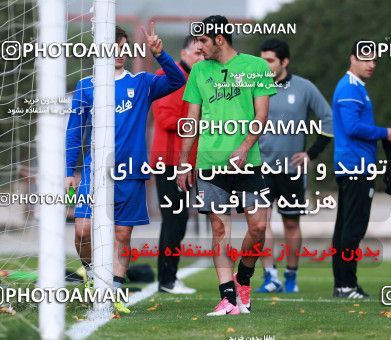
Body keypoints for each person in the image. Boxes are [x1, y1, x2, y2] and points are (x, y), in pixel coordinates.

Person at [66, 24, 185, 313]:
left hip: (131, 173)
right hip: (94, 174)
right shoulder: (87, 86)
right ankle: (94, 277)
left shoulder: (142, 82)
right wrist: (69, 171)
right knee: (82, 231)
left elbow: (177, 79)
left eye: (124, 48)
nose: (119, 53)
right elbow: (74, 131)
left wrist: (160, 54)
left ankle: (115, 291)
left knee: (122, 236)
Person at [177, 15, 276, 316]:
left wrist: (245, 147)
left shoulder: (256, 68)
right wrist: (184, 162)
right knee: (219, 228)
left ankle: (243, 278)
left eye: (203, 41)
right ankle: (228, 298)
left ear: (220, 39)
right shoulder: (198, 72)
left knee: (258, 226)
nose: (199, 48)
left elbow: (261, 116)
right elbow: (191, 121)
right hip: (209, 161)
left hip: (248, 162)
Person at [257, 38, 333, 293]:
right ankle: (270, 277)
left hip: (292, 171)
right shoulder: (254, 87)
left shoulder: (304, 88)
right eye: (262, 60)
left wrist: (311, 154)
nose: (265, 65)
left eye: (270, 61)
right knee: (260, 223)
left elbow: (327, 119)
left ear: (284, 62)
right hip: (261, 169)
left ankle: (291, 277)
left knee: (291, 223)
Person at [331, 40, 391, 299]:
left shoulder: (357, 87)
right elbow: (351, 127)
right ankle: (346, 284)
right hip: (356, 166)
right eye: (366, 59)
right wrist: (385, 132)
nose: (371, 64)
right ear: (352, 59)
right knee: (353, 228)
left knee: (345, 227)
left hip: (353, 164)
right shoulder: (350, 87)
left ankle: (343, 283)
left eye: (374, 60)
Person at [150, 35, 203, 294]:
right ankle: (167, 280)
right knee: (174, 220)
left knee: (179, 220)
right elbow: (165, 118)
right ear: (184, 52)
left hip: (186, 163)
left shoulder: (199, 78)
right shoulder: (167, 75)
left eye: (204, 52)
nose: (201, 56)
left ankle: (169, 278)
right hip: (168, 161)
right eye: (197, 52)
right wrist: (201, 122)